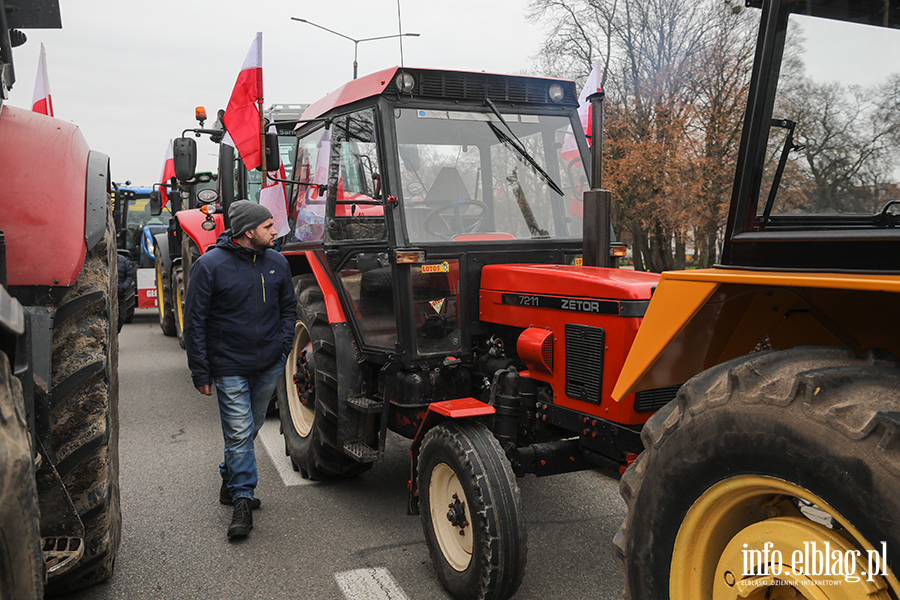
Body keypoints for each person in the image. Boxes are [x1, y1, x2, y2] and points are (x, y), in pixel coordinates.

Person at [183, 201, 296, 539]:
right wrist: (200, 372)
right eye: (268, 226)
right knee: (238, 432)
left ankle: (227, 478)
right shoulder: (209, 266)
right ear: (249, 232)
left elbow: (288, 307)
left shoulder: (278, 262)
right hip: (228, 364)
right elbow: (195, 322)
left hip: (268, 363)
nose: (275, 231)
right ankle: (243, 501)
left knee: (249, 429)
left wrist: (284, 346)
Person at [116, 253, 135, 332]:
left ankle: (116, 332)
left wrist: (123, 287)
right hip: (108, 296)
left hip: (120, 295)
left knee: (122, 317)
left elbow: (129, 275)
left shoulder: (122, 260)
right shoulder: (103, 260)